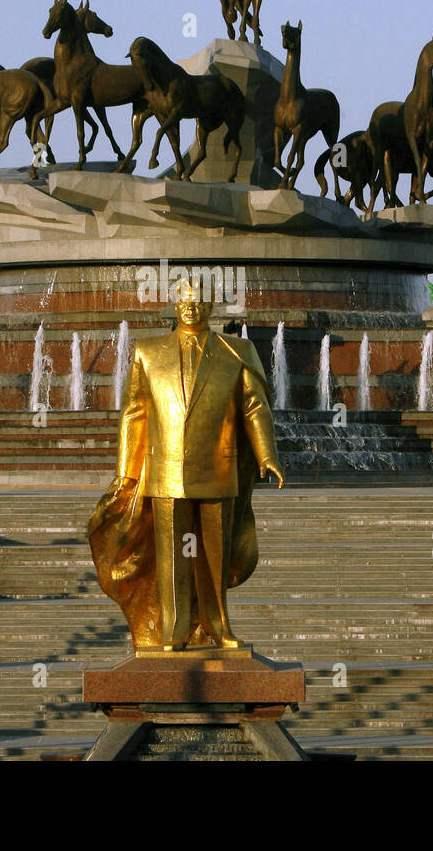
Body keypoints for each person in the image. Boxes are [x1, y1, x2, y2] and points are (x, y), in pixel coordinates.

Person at [88, 279, 285, 652]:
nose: (191, 309)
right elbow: (134, 414)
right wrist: (126, 473)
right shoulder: (149, 352)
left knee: (214, 556)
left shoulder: (235, 351)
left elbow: (254, 407)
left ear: (210, 308)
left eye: (198, 304)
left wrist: (267, 456)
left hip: (218, 471)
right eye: (185, 303)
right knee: (173, 557)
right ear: (175, 306)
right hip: (166, 473)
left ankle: (217, 625)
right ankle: (173, 629)